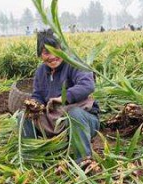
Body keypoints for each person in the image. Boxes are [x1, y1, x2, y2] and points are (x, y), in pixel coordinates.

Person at [21, 29, 100, 160]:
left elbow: (88, 85)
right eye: (46, 52)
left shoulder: (74, 64)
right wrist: (35, 104)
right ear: (40, 54)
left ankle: (83, 161)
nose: (52, 56)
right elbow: (38, 95)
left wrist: (63, 98)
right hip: (55, 120)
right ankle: (32, 158)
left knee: (74, 114)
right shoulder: (41, 71)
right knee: (24, 117)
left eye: (56, 50)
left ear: (63, 49)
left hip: (83, 120)